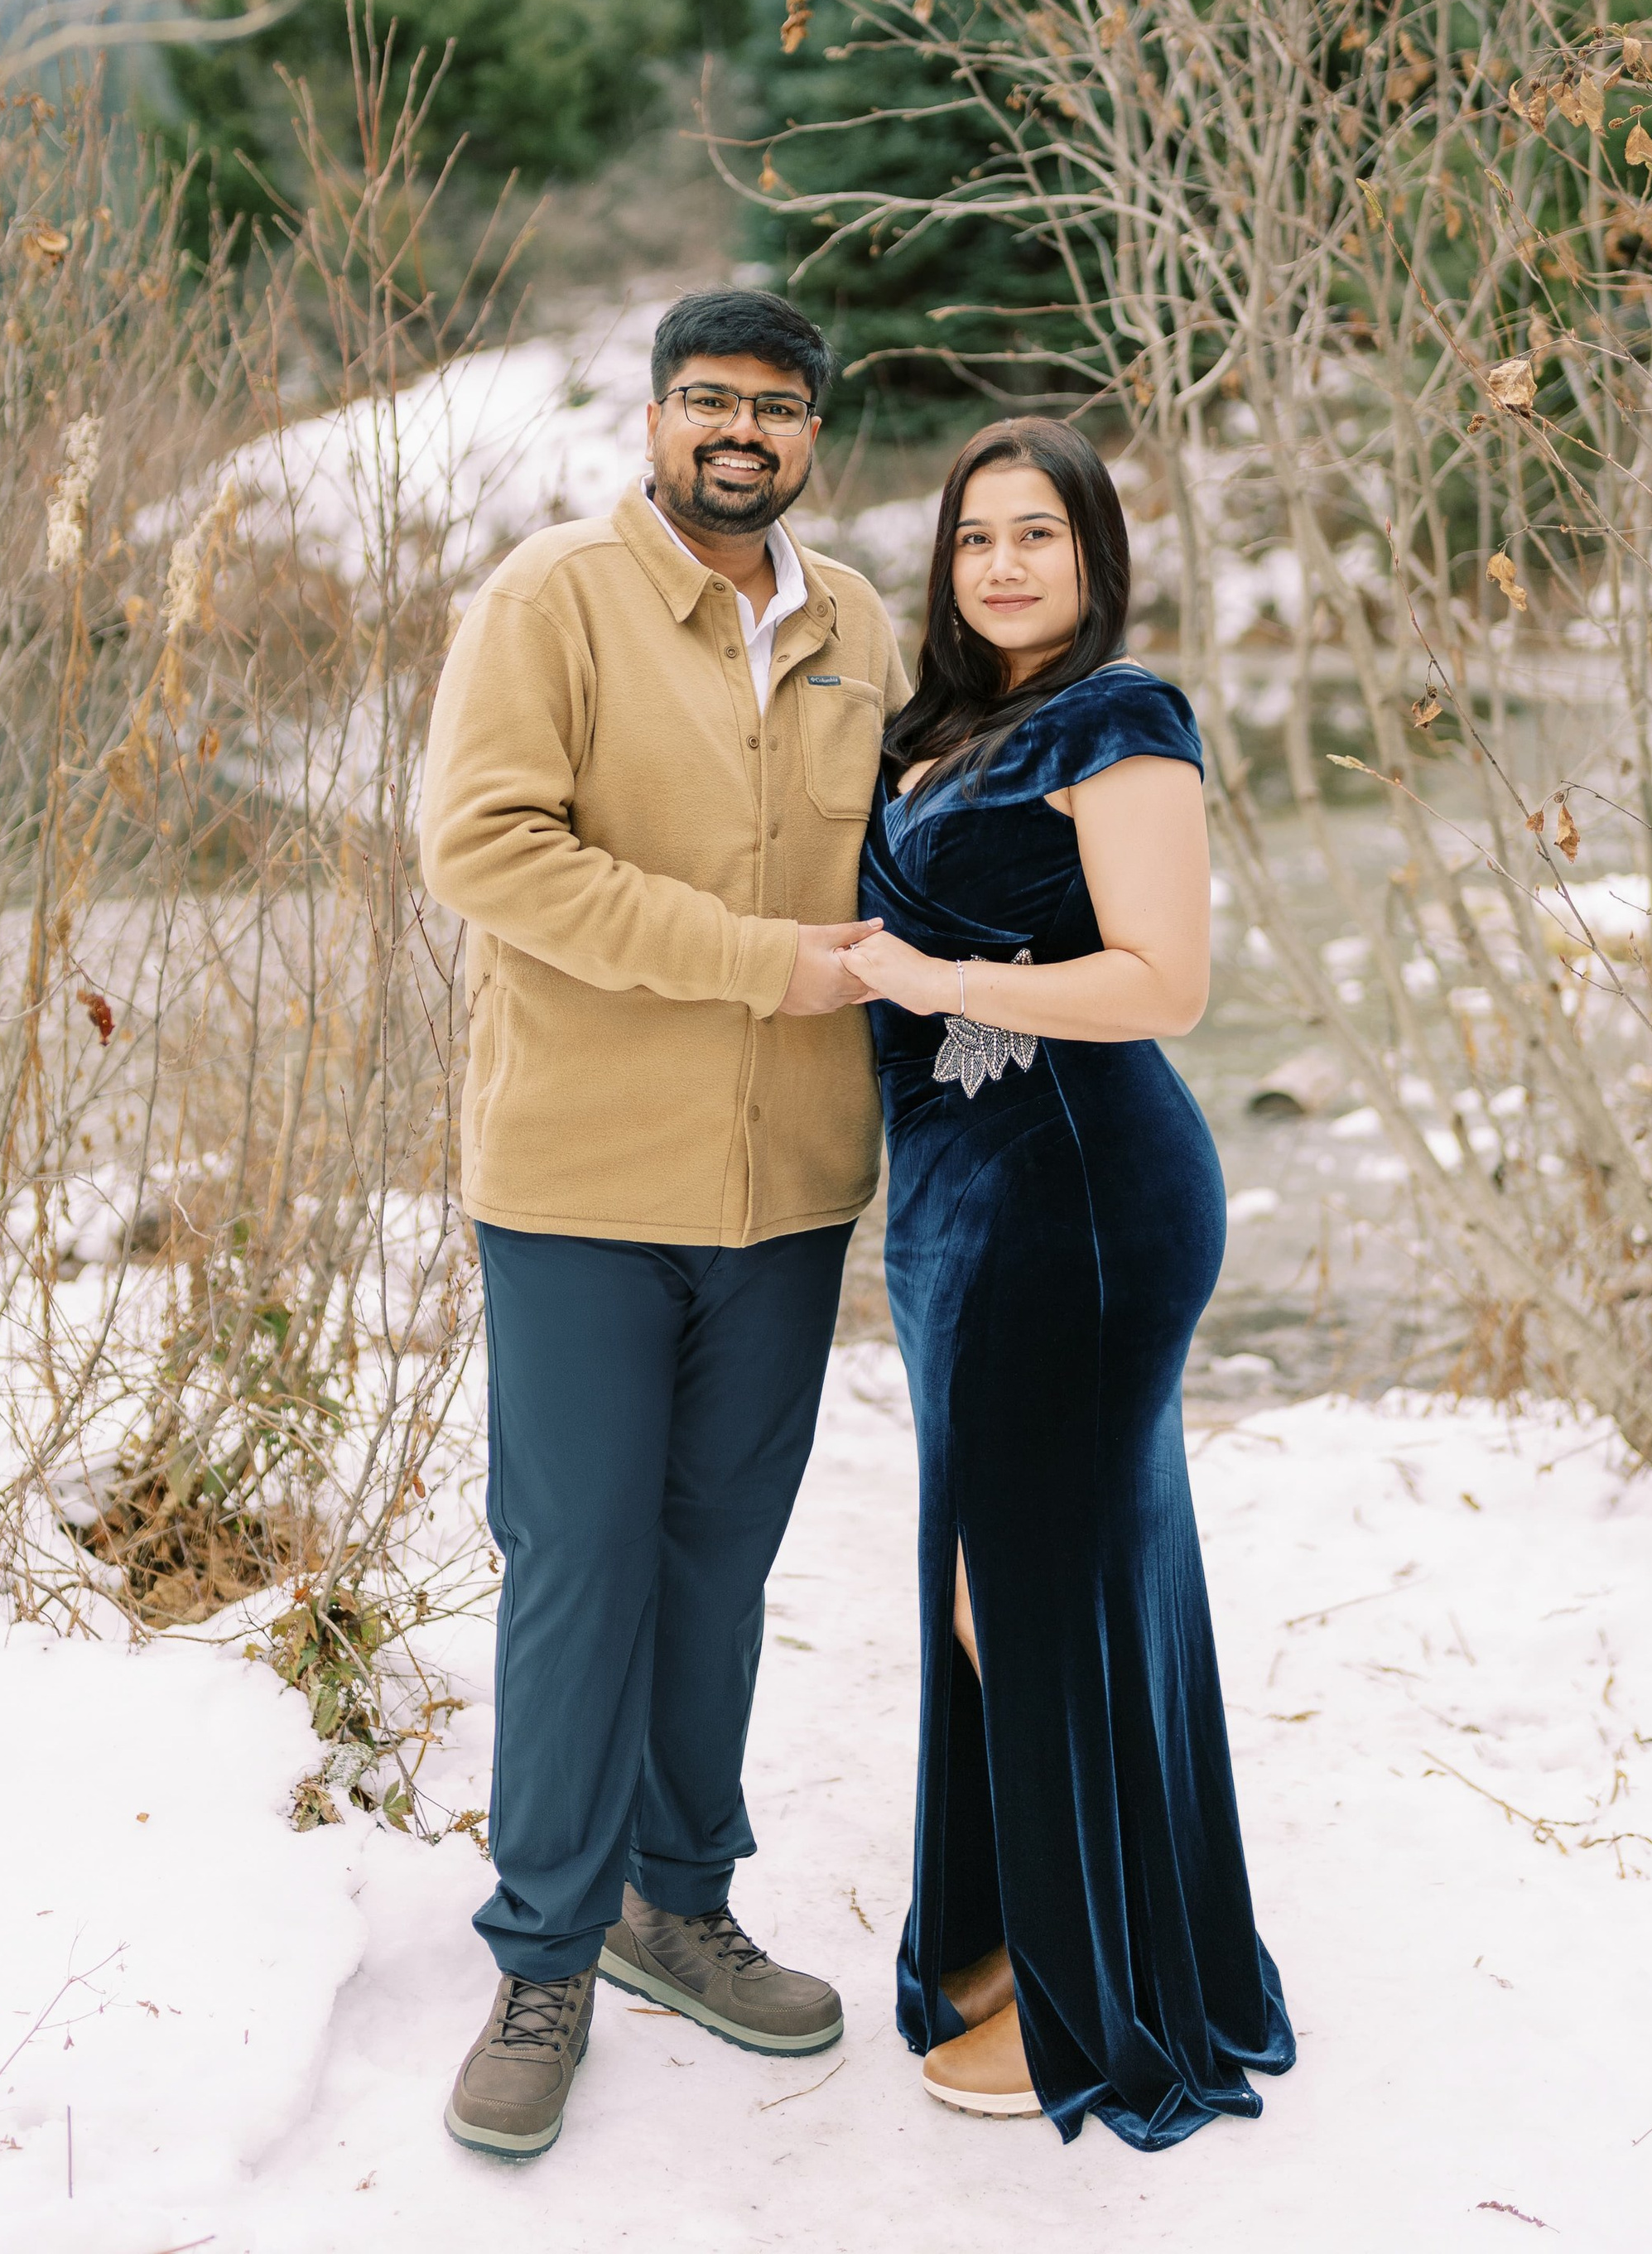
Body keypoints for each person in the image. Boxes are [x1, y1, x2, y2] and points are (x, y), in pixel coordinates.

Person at [418, 287, 908, 2159]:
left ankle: (676, 1903)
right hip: (582, 1182)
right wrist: (756, 962)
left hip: (787, 1192)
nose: (739, 430)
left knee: (716, 1564)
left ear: (810, 436)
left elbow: (905, 858)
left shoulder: (856, 623)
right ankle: (542, 1956)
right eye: (708, 398)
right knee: (580, 1564)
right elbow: (486, 849)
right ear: (652, 418)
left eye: (775, 405)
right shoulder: (550, 599)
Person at [836, 417, 1294, 2144]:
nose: (1003, 563)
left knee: (1019, 1591)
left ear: (1095, 552)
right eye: (975, 536)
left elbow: (1162, 983)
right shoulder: (935, 732)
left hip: (1080, 1199)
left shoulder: (1119, 720)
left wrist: (934, 971)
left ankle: (1094, 1998)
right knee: (1034, 1576)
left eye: (1038, 532)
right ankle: (1074, 1939)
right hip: (955, 1210)